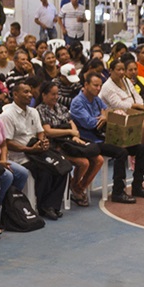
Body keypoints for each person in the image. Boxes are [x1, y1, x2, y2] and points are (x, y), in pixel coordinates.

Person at [70, 69, 144, 204]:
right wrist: (105, 117)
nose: (98, 88)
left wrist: (105, 116)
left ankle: (137, 186)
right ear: (85, 85)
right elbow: (90, 124)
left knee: (141, 148)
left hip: (104, 136)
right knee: (121, 153)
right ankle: (118, 192)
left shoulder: (96, 99)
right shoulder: (77, 102)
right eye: (95, 85)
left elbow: (108, 111)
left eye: (100, 85)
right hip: (90, 140)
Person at [2, 80, 68, 218]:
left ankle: (52, 205)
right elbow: (7, 142)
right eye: (25, 92)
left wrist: (43, 141)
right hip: (20, 156)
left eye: (30, 92)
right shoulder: (7, 116)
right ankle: (43, 206)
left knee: (63, 167)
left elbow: (40, 132)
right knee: (45, 171)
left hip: (36, 152)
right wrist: (29, 149)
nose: (30, 95)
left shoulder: (33, 111)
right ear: (15, 95)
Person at [36, 78, 104, 206]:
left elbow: (71, 121)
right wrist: (69, 132)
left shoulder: (60, 107)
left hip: (70, 143)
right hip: (55, 146)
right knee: (83, 163)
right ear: (44, 95)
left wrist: (75, 134)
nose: (56, 97)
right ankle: (76, 190)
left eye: (57, 94)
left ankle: (77, 187)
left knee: (99, 159)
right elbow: (48, 131)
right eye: (53, 94)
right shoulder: (40, 110)